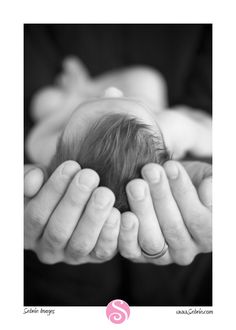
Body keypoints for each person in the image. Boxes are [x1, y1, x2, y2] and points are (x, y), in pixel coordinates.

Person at [24, 24, 212, 306]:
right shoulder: (171, 127)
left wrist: (66, 109)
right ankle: (88, 92)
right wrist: (194, 125)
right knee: (147, 80)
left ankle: (80, 90)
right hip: (152, 106)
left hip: (71, 103)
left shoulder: (53, 147)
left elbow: (34, 138)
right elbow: (212, 135)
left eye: (101, 99)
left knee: (43, 102)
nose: (113, 90)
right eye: (124, 100)